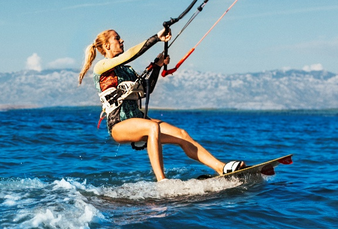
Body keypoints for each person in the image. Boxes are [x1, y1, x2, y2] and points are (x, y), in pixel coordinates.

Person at [78, 27, 245, 182]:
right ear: (107, 45)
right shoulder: (101, 67)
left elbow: (147, 89)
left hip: (137, 119)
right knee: (153, 127)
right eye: (117, 38)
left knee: (182, 134)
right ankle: (162, 181)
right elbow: (130, 54)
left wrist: (157, 67)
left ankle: (221, 168)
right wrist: (156, 38)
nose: (122, 41)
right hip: (118, 125)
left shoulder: (127, 70)